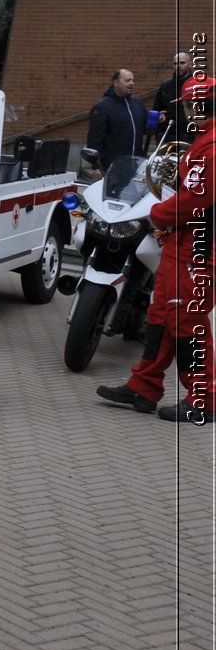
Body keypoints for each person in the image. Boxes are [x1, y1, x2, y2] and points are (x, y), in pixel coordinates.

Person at [97, 72, 214, 424]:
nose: (186, 113)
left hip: (198, 249)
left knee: (187, 321)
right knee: (162, 316)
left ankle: (205, 399)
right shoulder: (203, 141)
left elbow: (196, 199)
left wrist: (156, 213)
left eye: (190, 106)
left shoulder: (211, 146)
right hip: (182, 245)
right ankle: (143, 387)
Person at [86, 68, 148, 176]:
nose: (132, 83)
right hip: (112, 166)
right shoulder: (102, 107)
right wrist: (96, 166)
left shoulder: (137, 104)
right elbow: (94, 138)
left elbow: (144, 130)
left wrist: (157, 120)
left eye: (133, 80)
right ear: (116, 83)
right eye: (127, 80)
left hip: (136, 164)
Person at [153, 51, 193, 142]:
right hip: (168, 135)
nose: (178, 66)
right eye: (175, 63)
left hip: (190, 135)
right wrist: (159, 117)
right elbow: (157, 109)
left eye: (182, 63)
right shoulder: (165, 85)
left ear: (190, 64)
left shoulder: (198, 85)